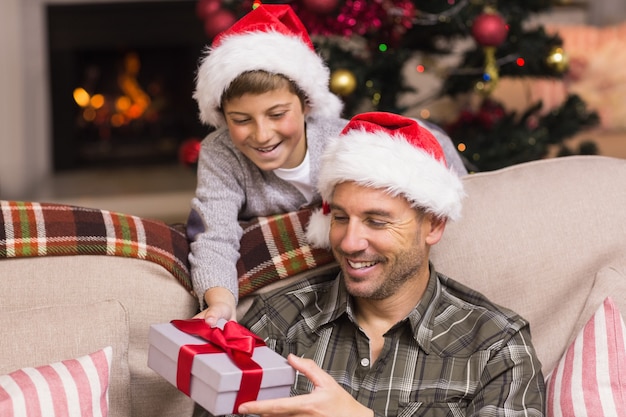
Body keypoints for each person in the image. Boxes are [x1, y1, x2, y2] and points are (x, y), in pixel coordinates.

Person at [203, 112, 545, 416]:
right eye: (339, 217)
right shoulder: (278, 321)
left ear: (434, 225)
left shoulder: (495, 346)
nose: (350, 243)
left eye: (377, 221)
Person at [187, 4, 468, 327]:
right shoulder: (221, 154)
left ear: (307, 104)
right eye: (241, 120)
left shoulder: (340, 140)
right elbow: (213, 233)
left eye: (277, 115)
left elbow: (424, 156)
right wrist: (220, 302)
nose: (262, 134)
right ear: (222, 118)